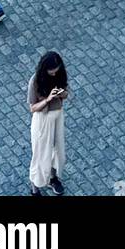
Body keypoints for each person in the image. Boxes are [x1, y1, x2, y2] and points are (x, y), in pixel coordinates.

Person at [28, 51, 70, 197]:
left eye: (56, 71)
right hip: (42, 120)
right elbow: (32, 108)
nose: (54, 74)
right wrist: (47, 99)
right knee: (40, 155)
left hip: (57, 116)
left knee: (58, 153)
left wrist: (60, 94)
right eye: (51, 72)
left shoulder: (59, 75)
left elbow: (66, 94)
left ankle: (53, 178)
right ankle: (35, 188)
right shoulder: (35, 81)